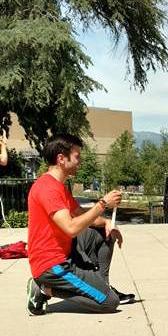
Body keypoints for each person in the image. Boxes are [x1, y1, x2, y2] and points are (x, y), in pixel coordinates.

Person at [26, 134, 134, 315]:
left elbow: (83, 216)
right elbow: (71, 227)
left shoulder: (59, 186)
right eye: (77, 156)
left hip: (66, 252)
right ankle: (44, 288)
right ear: (61, 158)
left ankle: (101, 285)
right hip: (53, 265)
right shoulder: (48, 188)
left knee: (104, 233)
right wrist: (103, 204)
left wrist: (107, 222)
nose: (80, 161)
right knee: (109, 302)